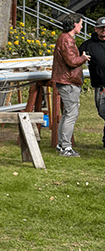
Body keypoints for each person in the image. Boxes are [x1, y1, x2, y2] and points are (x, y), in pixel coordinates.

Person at [51, 13, 90, 157]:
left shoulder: (66, 38)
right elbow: (72, 61)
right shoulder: (66, 39)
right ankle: (66, 147)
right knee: (71, 114)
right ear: (74, 24)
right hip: (68, 82)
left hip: (67, 81)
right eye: (80, 23)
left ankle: (61, 145)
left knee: (68, 113)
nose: (81, 26)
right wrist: (83, 58)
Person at [80, 17, 105, 148]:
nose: (104, 31)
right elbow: (75, 59)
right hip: (99, 86)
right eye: (101, 28)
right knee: (102, 112)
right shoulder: (88, 45)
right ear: (96, 29)